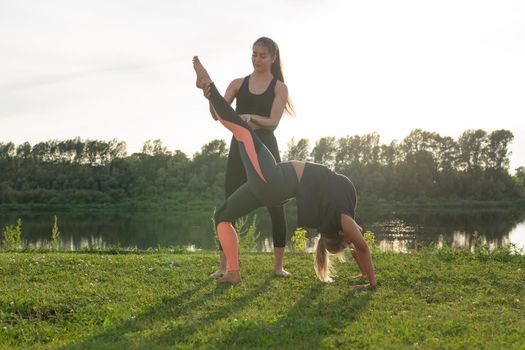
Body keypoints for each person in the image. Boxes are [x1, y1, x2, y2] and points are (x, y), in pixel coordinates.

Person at [193, 56, 377, 289]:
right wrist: (363, 274)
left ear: (342, 236)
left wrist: (371, 283)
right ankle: (233, 272)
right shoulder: (343, 219)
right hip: (271, 189)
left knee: (243, 131)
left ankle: (207, 85)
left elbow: (360, 245)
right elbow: (356, 243)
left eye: (349, 240)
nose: (357, 234)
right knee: (222, 216)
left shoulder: (343, 219)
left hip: (274, 181)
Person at [207, 37, 294, 279]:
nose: (257, 59)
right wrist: (209, 96)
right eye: (254, 54)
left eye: (263, 55)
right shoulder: (237, 84)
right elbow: (217, 115)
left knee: (276, 206)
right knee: (227, 206)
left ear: (273, 58)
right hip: (239, 150)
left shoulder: (279, 87)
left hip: (265, 148)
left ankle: (278, 267)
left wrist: (250, 118)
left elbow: (273, 123)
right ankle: (224, 266)